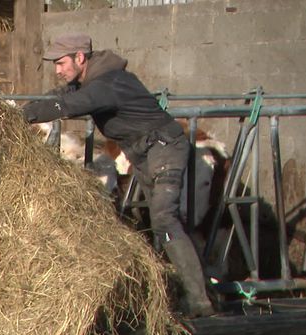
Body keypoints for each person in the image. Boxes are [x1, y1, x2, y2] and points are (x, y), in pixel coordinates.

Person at [22, 33, 214, 318]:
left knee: (165, 219)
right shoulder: (92, 81)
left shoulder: (108, 84)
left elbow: (69, 106)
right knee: (162, 222)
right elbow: (61, 96)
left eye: (61, 63)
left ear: (80, 58)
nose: (58, 70)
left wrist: (20, 117)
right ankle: (183, 292)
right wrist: (22, 107)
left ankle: (200, 303)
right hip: (146, 154)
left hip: (164, 149)